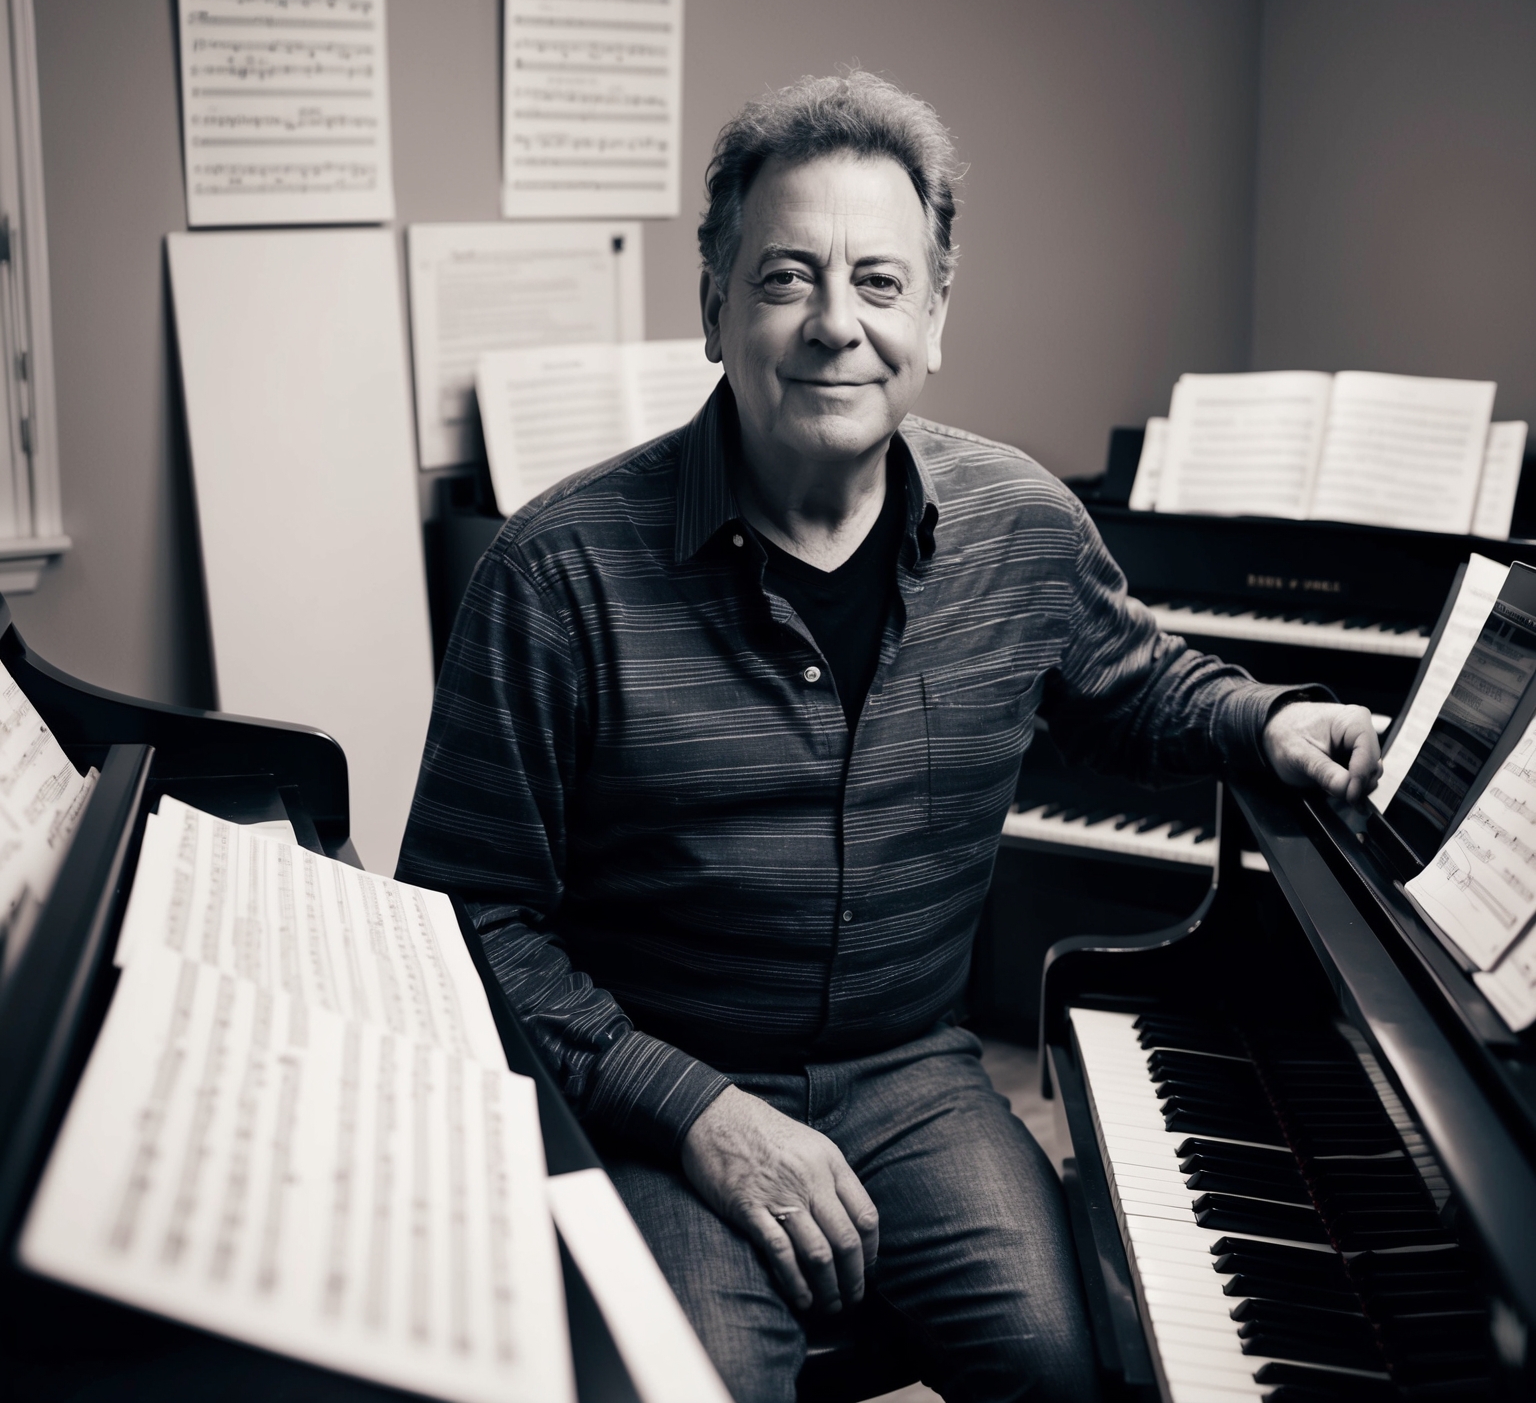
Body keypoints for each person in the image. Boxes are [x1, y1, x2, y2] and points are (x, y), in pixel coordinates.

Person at [398, 71, 1381, 1403]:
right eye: (786, 278)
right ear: (713, 310)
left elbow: (1137, 685)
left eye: (876, 280)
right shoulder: (553, 572)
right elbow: (466, 922)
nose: (833, 326)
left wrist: (1269, 720)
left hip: (916, 1074)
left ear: (934, 315)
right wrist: (693, 1110)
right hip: (667, 1086)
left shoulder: (1022, 525)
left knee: (1079, 1360)